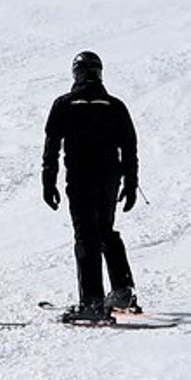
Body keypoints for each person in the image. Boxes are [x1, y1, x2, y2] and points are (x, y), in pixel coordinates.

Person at [42, 50, 139, 323]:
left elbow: (51, 147)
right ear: (100, 73)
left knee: (86, 236)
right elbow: (129, 148)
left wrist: (48, 181)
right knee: (105, 231)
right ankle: (122, 291)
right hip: (109, 179)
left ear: (76, 73)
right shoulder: (114, 105)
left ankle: (93, 302)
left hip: (81, 180)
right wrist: (131, 183)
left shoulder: (64, 104)